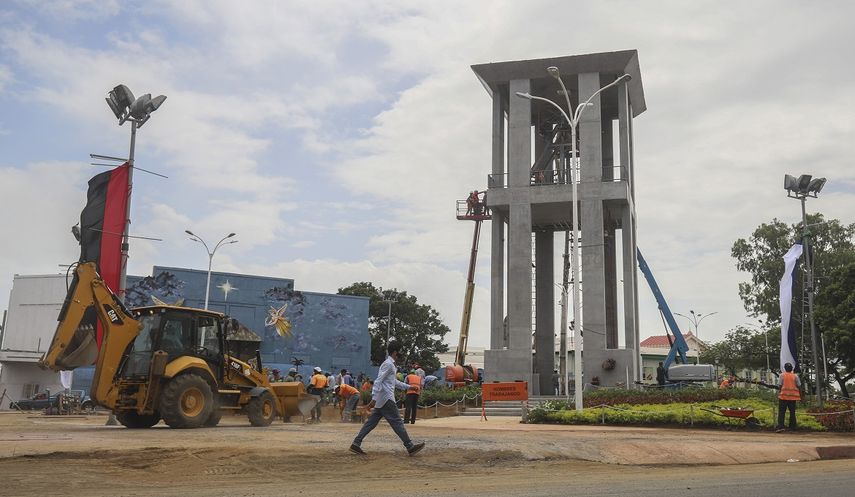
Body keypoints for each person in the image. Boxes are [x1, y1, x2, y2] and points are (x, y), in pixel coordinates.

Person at [350, 340, 425, 456]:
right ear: (395, 352)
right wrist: (374, 398)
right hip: (386, 399)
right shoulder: (388, 364)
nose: (401, 353)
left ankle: (356, 443)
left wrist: (409, 387)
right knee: (397, 422)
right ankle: (410, 446)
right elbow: (378, 381)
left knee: (371, 423)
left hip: (382, 399)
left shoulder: (390, 364)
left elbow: (393, 382)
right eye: (400, 351)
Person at [776, 362, 801, 432]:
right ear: (791, 369)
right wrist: (801, 396)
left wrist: (779, 394)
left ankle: (780, 427)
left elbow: (780, 386)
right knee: (792, 413)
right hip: (793, 398)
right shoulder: (795, 376)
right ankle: (792, 427)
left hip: (783, 397)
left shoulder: (782, 375)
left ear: (785, 368)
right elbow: (799, 386)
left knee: (781, 412)